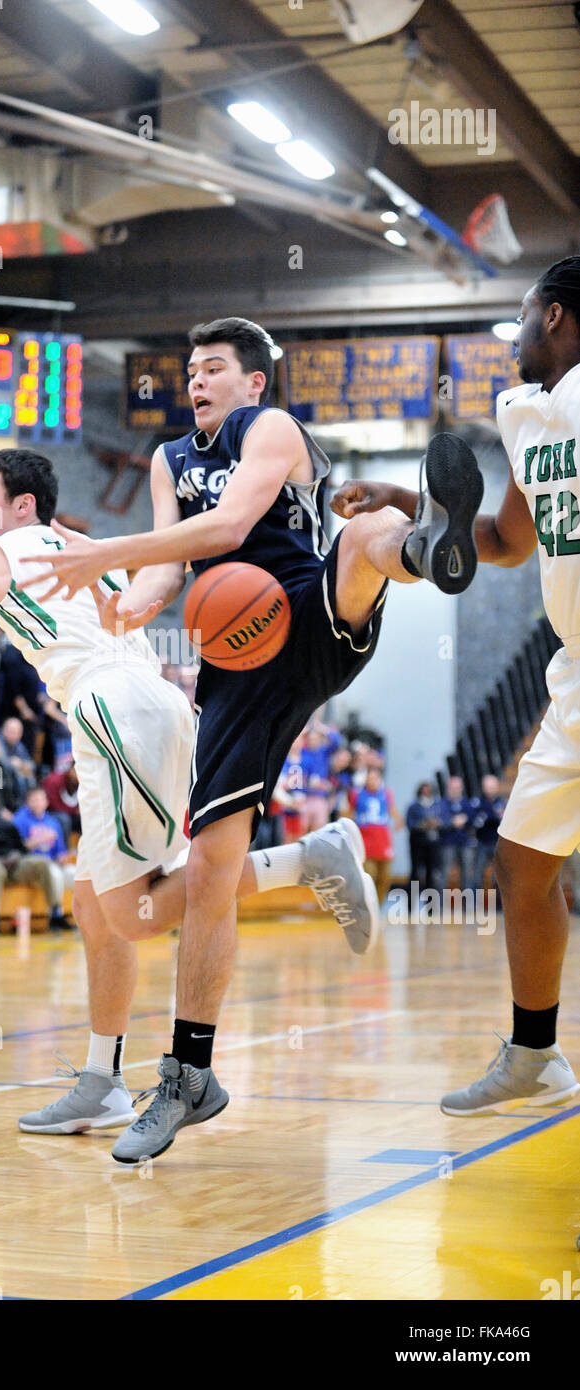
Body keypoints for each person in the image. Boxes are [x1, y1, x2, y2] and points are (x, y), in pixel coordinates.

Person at [0, 446, 375, 1145]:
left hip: (112, 707)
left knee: (137, 912)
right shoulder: (88, 550)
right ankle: (102, 1081)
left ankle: (309, 858)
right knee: (91, 905)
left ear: (22, 505)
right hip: (150, 706)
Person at [24, 315, 482, 1161]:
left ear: (252, 383)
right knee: (207, 871)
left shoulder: (268, 430)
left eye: (211, 369)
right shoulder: (167, 459)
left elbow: (231, 529)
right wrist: (126, 601)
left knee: (355, 538)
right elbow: (170, 566)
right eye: (188, 371)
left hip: (302, 610)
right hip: (231, 661)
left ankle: (420, 545)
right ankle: (189, 1077)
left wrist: (108, 549)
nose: (195, 382)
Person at [331, 256, 580, 1115]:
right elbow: (509, 542)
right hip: (573, 672)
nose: (509, 334)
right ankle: (534, 1053)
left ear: (552, 316)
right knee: (521, 864)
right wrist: (409, 497)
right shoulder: (524, 415)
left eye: (518, 315)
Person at [0, 788, 69, 935]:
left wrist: (15, 856)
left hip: (14, 865)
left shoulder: (7, 824)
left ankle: (55, 912)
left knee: (42, 863)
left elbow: (21, 848)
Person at [12, 785, 75, 929]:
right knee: (54, 874)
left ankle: (84, 914)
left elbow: (60, 851)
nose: (38, 803)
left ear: (46, 802)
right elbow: (19, 847)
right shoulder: (19, 820)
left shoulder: (53, 822)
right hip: (31, 867)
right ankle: (56, 914)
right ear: (28, 802)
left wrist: (63, 857)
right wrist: (40, 839)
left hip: (53, 864)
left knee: (75, 874)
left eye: (41, 799)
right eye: (34, 800)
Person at [350, 767, 402, 903]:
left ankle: (378, 906)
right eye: (370, 778)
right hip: (365, 840)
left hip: (383, 839)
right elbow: (348, 813)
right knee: (369, 874)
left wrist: (398, 820)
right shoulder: (356, 794)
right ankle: (367, 904)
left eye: (375, 778)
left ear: (380, 780)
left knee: (385, 877)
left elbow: (392, 810)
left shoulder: (386, 794)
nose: (372, 781)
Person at [434, 775, 475, 892]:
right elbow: (438, 821)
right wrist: (452, 822)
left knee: (467, 873)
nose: (455, 790)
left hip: (465, 842)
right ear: (448, 788)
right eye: (452, 788)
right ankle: (439, 905)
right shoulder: (441, 804)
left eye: (457, 788)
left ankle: (468, 905)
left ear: (461, 788)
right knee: (444, 873)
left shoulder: (467, 803)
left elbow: (473, 819)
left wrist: (465, 820)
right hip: (447, 843)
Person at [468, 773, 506, 893]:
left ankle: (499, 906)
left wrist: (487, 817)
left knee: (499, 876)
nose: (490, 790)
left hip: (497, 843)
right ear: (483, 787)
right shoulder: (477, 801)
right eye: (488, 787)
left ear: (497, 787)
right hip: (481, 843)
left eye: (492, 787)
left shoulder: (502, 802)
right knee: (477, 874)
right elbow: (472, 820)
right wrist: (492, 817)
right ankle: (474, 905)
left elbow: (503, 819)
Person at [406, 781, 442, 892]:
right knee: (416, 872)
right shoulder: (414, 806)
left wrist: (437, 823)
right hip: (417, 842)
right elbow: (410, 823)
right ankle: (411, 904)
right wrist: (422, 824)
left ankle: (431, 905)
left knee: (431, 872)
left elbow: (445, 821)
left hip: (433, 843)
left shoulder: (437, 805)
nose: (426, 793)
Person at [43, 758, 80, 840]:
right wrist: (74, 810)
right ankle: (64, 850)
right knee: (64, 819)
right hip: (51, 812)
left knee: (85, 817)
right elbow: (53, 805)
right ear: (72, 768)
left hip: (70, 812)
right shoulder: (54, 781)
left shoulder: (81, 783)